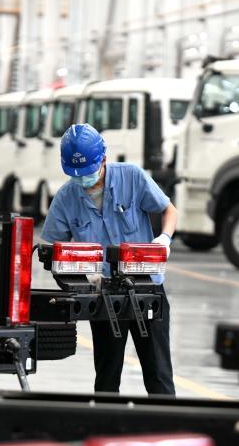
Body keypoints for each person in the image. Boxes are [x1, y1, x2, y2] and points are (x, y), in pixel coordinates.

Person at [41, 123, 178, 395]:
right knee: (107, 376)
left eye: (88, 172)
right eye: (76, 174)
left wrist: (164, 239)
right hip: (102, 294)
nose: (83, 179)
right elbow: (54, 248)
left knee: (159, 374)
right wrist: (80, 276)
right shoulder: (66, 197)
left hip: (147, 287)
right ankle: (106, 419)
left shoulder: (132, 177)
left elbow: (168, 210)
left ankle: (164, 418)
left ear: (103, 159)